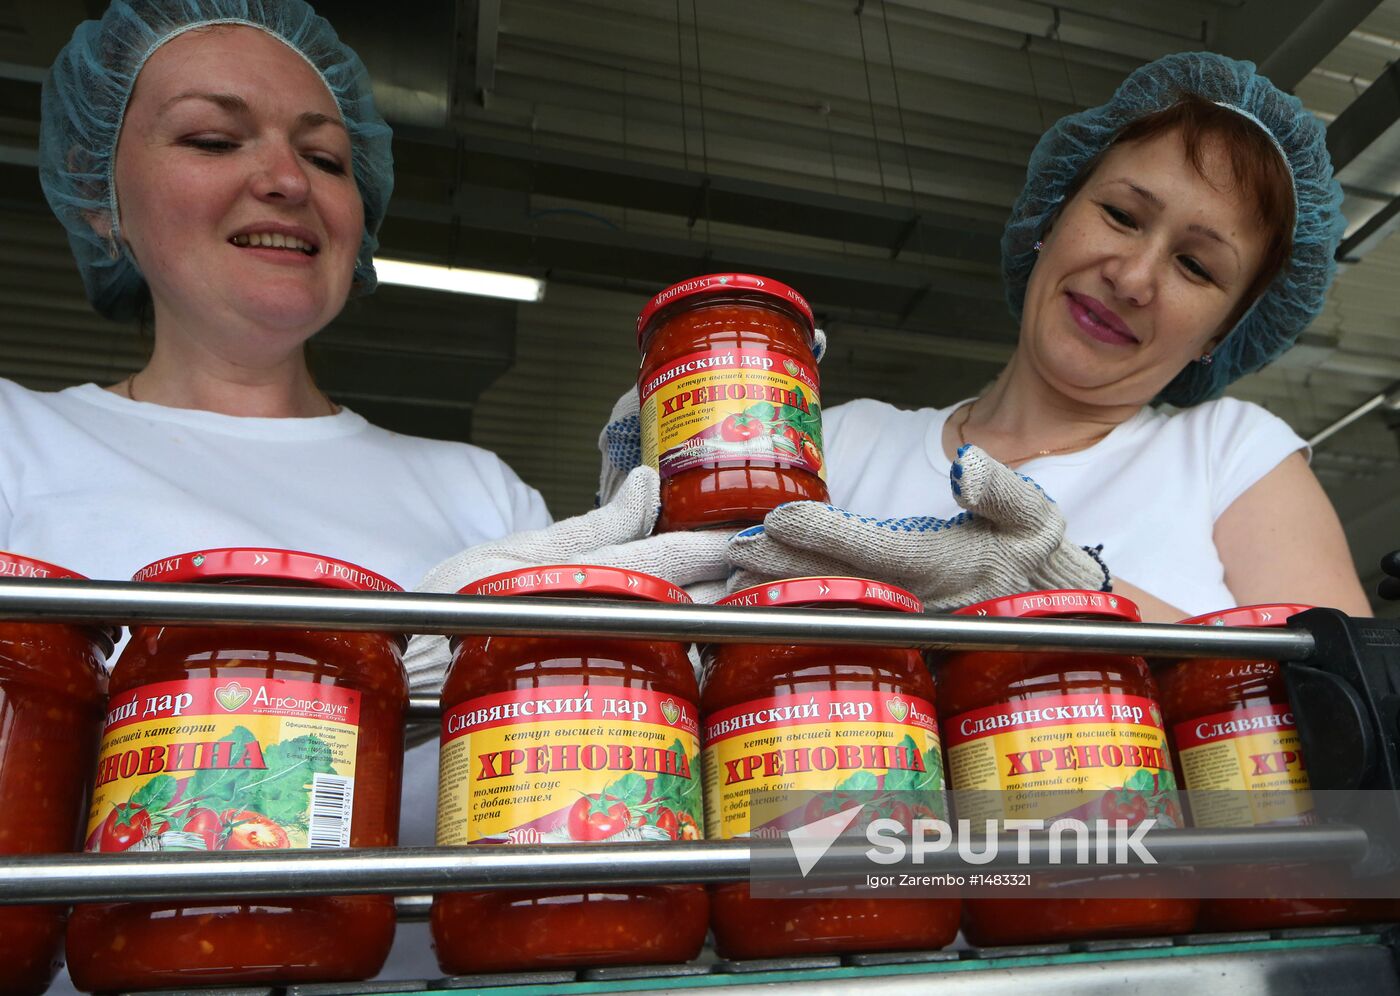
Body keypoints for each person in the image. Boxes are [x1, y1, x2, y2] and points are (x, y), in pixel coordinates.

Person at [5, 0, 553, 986]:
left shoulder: (478, 494)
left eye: (328, 158)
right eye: (214, 138)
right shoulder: (16, 441)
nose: (285, 180)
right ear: (101, 200)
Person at [722, 52, 1372, 622]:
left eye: (1196, 267)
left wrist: (1076, 593)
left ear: (1223, 331)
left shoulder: (1229, 457)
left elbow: (1345, 697)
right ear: (1053, 217)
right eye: (1121, 215)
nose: (1133, 278)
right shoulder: (842, 442)